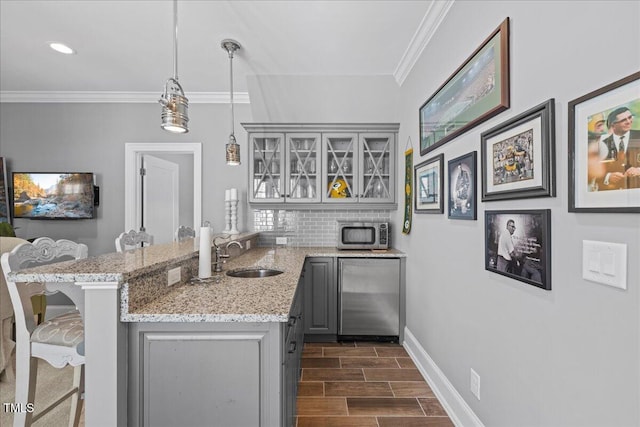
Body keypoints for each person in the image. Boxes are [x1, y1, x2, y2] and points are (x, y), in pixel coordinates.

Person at [598, 107, 640, 190]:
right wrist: (608, 177)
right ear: (613, 125)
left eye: (630, 117)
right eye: (623, 120)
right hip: (613, 196)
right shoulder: (603, 144)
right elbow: (593, 171)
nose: (628, 122)